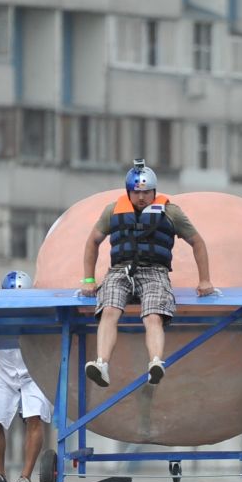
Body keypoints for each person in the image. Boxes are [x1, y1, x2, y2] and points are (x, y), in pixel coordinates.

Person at [77, 161, 216, 388]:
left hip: (155, 271)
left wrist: (205, 279)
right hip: (120, 271)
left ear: (154, 191)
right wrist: (89, 279)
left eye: (147, 192)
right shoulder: (112, 211)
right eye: (137, 192)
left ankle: (155, 363)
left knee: (152, 315)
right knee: (109, 310)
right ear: (128, 192)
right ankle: (102, 364)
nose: (142, 197)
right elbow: (93, 241)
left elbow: (197, 242)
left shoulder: (171, 212)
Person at [0, 270, 52, 482]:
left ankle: (25, 476)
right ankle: (0, 475)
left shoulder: (41, 313)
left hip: (33, 368)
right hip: (1, 368)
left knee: (35, 417)